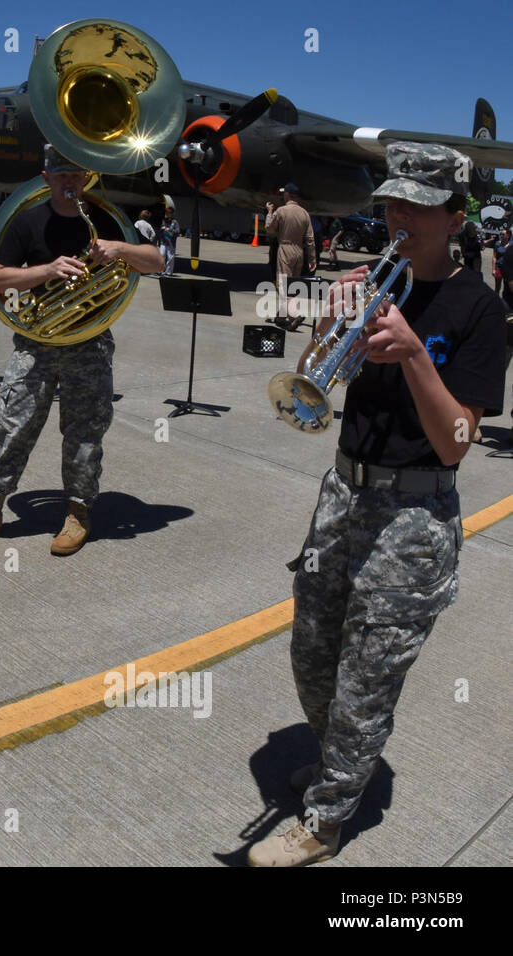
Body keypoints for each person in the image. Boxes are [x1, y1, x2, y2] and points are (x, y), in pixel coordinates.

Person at [248, 143, 506, 866]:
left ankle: (325, 821)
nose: (399, 219)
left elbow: (457, 443)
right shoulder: (368, 285)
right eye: (391, 204)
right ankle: (341, 765)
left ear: (455, 216)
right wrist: (329, 329)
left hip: (414, 517)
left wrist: (418, 355)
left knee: (367, 679)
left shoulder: (480, 310)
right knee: (312, 655)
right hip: (343, 494)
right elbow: (311, 386)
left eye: (418, 208)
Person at [0, 146, 164, 554]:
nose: (70, 182)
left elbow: (156, 261)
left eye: (77, 175)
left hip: (89, 343)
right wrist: (46, 270)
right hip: (37, 341)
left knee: (84, 434)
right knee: (12, 424)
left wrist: (120, 250)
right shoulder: (28, 221)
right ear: (46, 178)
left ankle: (78, 514)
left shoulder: (104, 219)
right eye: (61, 174)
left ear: (87, 178)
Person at [266, 184, 317, 330]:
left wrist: (270, 212)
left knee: (283, 285)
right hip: (299, 251)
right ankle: (281, 316)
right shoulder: (304, 213)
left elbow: (270, 228)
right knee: (292, 286)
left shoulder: (281, 211)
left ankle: (294, 315)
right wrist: (312, 258)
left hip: (285, 248)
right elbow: (310, 238)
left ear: (287, 195)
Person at [158, 207, 180, 275]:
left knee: (170, 257)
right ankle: (159, 270)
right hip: (163, 241)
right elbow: (160, 229)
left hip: (171, 242)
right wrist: (162, 228)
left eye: (169, 213)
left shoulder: (175, 222)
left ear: (172, 213)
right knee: (161, 255)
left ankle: (169, 272)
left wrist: (169, 230)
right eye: (166, 212)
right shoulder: (164, 220)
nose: (167, 214)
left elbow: (177, 231)